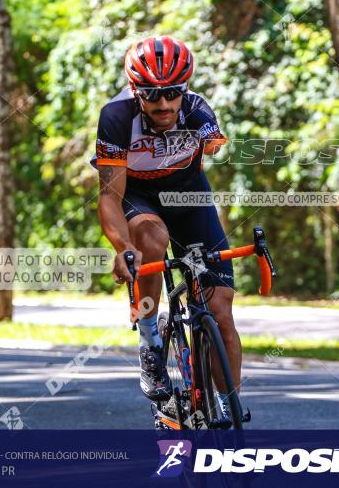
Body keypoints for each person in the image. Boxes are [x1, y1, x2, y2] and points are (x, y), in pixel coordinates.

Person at [93, 35, 240, 419]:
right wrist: (122, 246)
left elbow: (215, 143)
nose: (163, 103)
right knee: (151, 239)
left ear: (185, 88)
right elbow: (109, 195)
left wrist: (208, 138)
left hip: (189, 198)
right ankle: (149, 337)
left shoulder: (196, 110)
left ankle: (228, 409)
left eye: (172, 92)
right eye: (151, 94)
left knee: (221, 312)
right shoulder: (116, 117)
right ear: (134, 91)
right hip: (138, 196)